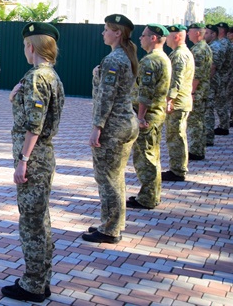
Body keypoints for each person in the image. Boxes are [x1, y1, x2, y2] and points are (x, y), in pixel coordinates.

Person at [1, 22, 64, 303]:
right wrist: (16, 97)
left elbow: (34, 125)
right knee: (41, 221)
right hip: (43, 155)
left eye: (25, 45)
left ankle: (33, 284)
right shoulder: (51, 75)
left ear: (31, 46)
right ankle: (41, 279)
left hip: (34, 158)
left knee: (31, 224)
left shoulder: (37, 77)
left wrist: (23, 160)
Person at [84, 13, 138, 244]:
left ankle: (109, 229)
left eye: (107, 29)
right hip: (125, 122)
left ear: (118, 32)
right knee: (115, 178)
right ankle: (113, 222)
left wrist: (98, 127)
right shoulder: (124, 56)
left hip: (114, 126)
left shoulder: (115, 59)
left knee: (107, 178)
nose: (103, 32)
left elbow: (106, 96)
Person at [128, 24, 171, 210]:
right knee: (152, 155)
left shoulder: (150, 61)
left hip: (148, 116)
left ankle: (148, 198)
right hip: (156, 114)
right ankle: (151, 194)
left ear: (153, 38)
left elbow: (145, 92)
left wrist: (140, 116)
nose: (140, 38)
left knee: (145, 157)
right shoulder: (164, 58)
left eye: (144, 35)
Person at [161, 24, 195, 182]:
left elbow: (177, 79)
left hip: (178, 103)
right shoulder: (181, 53)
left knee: (176, 137)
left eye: (168, 35)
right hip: (181, 101)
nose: (165, 38)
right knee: (176, 136)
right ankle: (177, 168)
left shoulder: (180, 55)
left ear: (176, 37)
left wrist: (170, 99)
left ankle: (177, 170)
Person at [187, 23, 212, 160]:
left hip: (197, 91)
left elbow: (196, 75)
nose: (188, 34)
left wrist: (192, 93)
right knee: (199, 121)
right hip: (203, 89)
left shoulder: (198, 50)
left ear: (197, 33)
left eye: (190, 31)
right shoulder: (204, 47)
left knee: (195, 122)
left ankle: (196, 151)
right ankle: (199, 149)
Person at [204, 24, 225, 146]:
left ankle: (208, 137)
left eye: (207, 33)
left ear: (214, 34)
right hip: (212, 81)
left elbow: (213, 67)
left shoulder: (215, 47)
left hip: (212, 81)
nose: (204, 35)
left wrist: (206, 82)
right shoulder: (211, 46)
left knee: (208, 108)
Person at [214, 22, 231, 136]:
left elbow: (219, 62)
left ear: (222, 31)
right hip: (225, 74)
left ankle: (223, 126)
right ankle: (224, 125)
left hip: (223, 75)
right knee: (222, 101)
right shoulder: (225, 42)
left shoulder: (223, 43)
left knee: (221, 101)